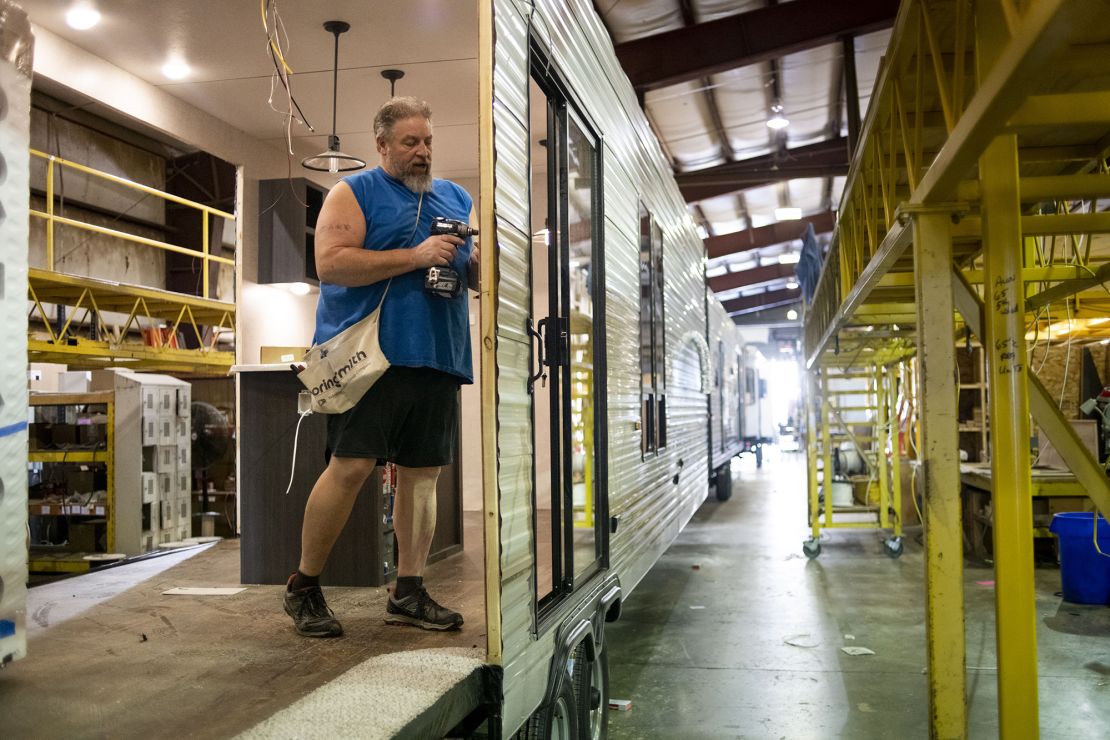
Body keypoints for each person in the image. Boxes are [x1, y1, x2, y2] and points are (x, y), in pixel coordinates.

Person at [283, 96, 478, 637]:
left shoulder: (458, 196)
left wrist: (480, 261)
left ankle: (409, 591)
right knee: (350, 468)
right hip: (372, 357)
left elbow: (476, 272)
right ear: (383, 145)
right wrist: (416, 256)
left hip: (438, 356)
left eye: (429, 141)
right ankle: (304, 587)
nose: (422, 152)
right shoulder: (354, 191)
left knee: (423, 476)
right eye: (410, 142)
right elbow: (332, 263)